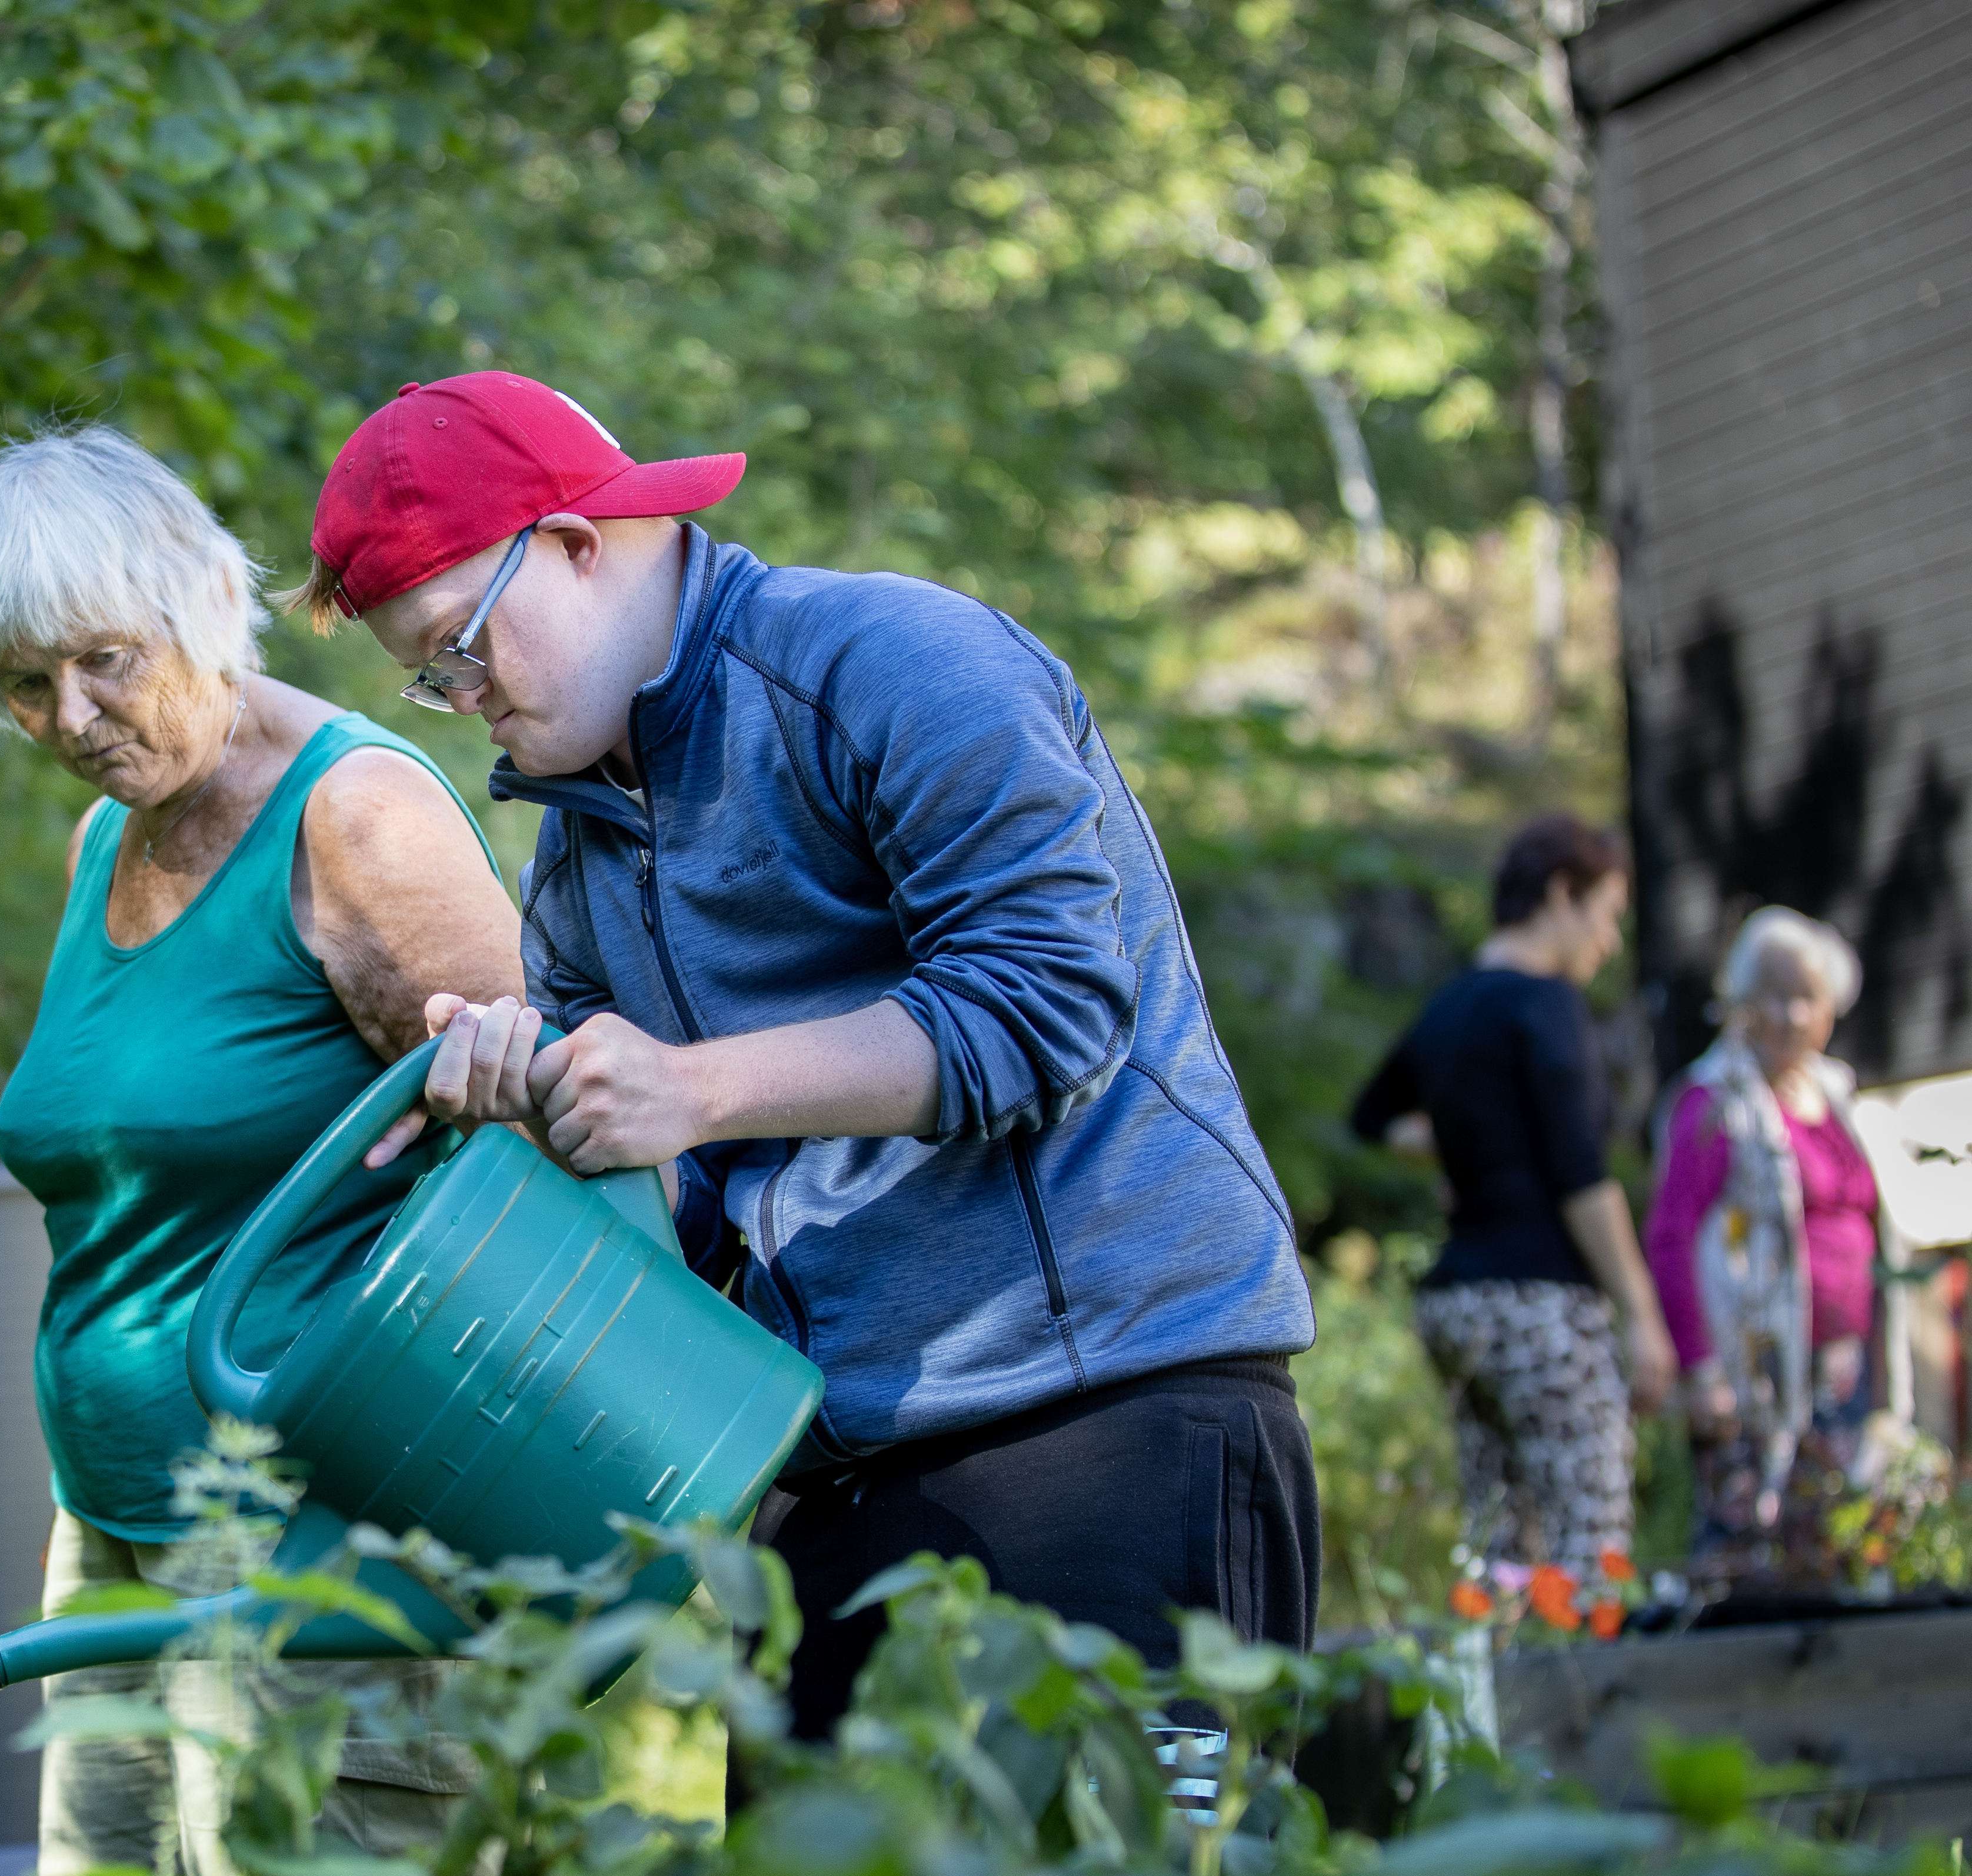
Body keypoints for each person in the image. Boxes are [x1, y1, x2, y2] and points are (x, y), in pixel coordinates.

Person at [285, 372, 1319, 1742]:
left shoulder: (894, 661)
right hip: (826, 1471)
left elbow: (1050, 1004)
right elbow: (692, 1223)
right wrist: (552, 1125)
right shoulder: (577, 865)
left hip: (1106, 1417)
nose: (460, 697)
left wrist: (690, 1089)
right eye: (430, 678)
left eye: (458, 647)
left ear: (576, 545)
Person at [0, 427, 526, 1876]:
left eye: (105, 661)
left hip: (314, 1557)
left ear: (207, 601)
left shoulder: (356, 819)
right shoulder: (106, 839)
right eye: (25, 685)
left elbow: (543, 1176)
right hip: (113, 1532)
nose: (71, 718)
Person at [1348, 814, 1676, 1575]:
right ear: (1562, 895)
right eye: (1606, 915)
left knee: (1501, 1543)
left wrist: (1465, 1139)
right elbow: (1581, 1174)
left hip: (1457, 1306)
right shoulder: (1547, 1003)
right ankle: (1588, 1656)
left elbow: (1372, 1117)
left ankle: (1489, 1652)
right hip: (1539, 1303)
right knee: (1588, 1535)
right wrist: (1642, 1313)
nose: (1611, 942)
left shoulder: (1449, 1007)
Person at [1643, 905, 1883, 1580]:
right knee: (1745, 1557)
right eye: (1775, 996)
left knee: (1833, 1550)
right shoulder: (1713, 1102)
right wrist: (1700, 1368)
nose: (1792, 1015)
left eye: (1809, 997)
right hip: (1750, 1375)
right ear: (1742, 1002)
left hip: (1841, 1368)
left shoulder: (1838, 1096)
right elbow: (1670, 1238)